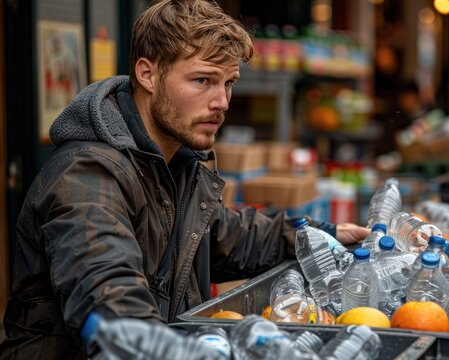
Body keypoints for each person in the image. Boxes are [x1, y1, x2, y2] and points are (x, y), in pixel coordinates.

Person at [0, 1, 370, 359]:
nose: (222, 101)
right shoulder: (86, 176)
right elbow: (109, 295)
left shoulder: (178, 161)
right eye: (202, 80)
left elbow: (225, 236)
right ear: (147, 74)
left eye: (228, 83)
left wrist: (322, 235)